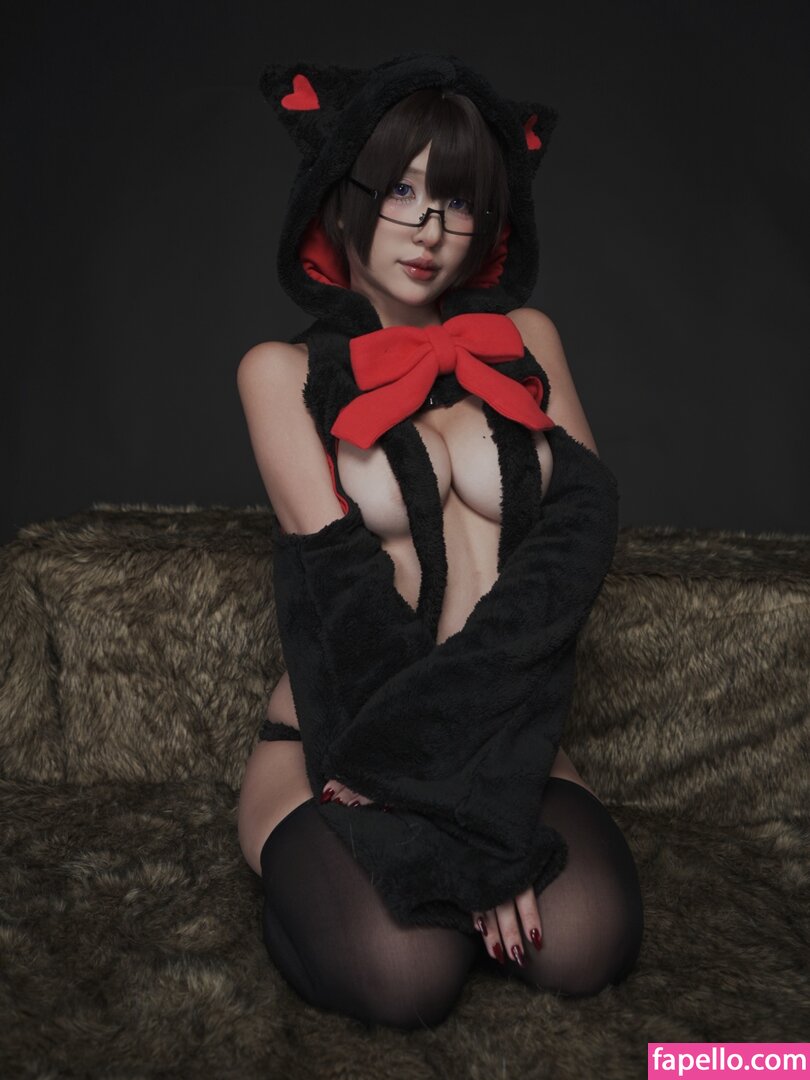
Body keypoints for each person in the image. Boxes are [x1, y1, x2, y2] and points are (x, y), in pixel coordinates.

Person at [236, 53, 643, 1030]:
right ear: (342, 199)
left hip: (510, 737)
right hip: (351, 746)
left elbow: (573, 554)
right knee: (403, 975)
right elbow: (342, 603)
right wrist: (434, 801)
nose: (428, 226)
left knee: (587, 945)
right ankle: (304, 888)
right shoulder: (280, 372)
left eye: (457, 200)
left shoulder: (529, 340)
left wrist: (487, 799)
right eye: (402, 190)